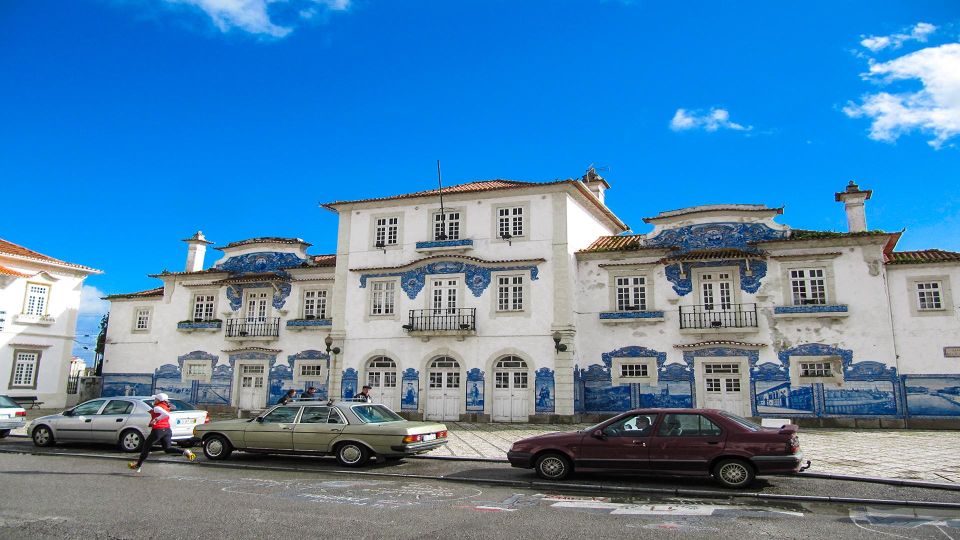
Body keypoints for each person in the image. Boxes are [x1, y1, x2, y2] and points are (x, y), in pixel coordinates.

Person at [127, 393, 196, 473]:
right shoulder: (166, 406)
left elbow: (166, 415)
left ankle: (138, 465)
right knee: (167, 449)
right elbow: (166, 413)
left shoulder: (157, 407)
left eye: (155, 399)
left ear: (159, 400)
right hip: (167, 430)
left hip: (158, 430)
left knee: (146, 446)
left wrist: (156, 419)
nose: (154, 401)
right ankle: (185, 452)